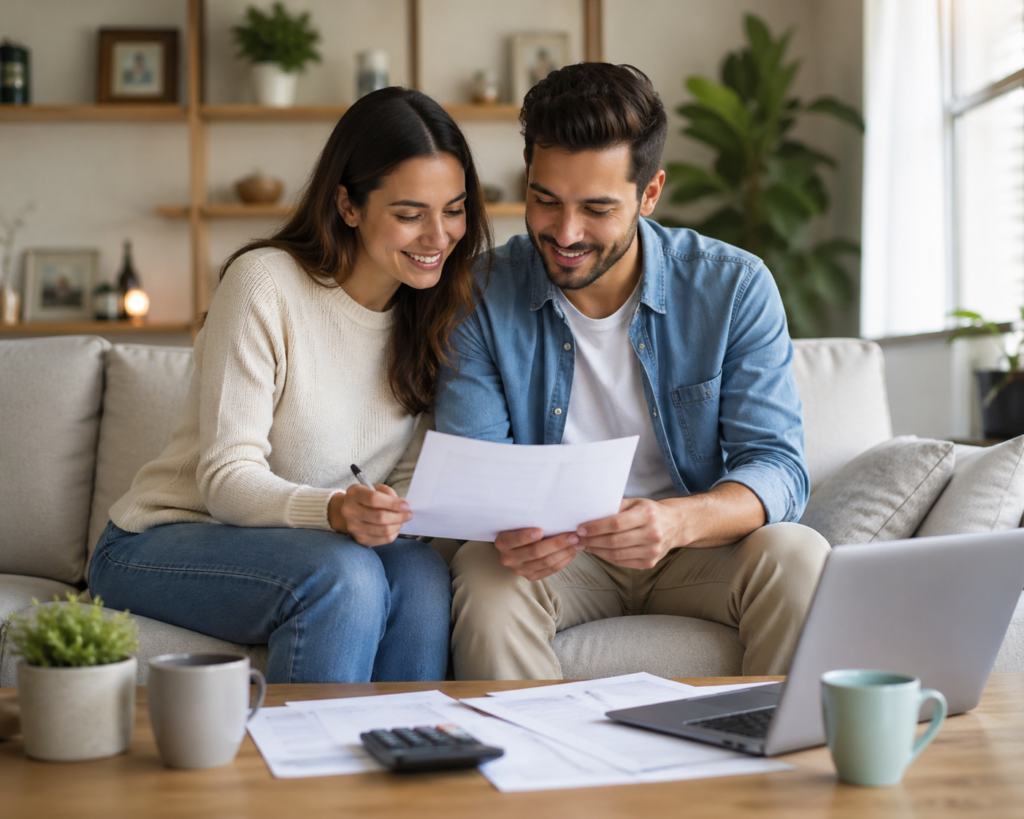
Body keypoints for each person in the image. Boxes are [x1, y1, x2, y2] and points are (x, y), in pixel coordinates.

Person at [435, 63, 831, 680]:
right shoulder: (480, 293)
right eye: (545, 200)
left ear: (650, 194)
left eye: (596, 208)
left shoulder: (734, 285)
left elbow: (778, 467)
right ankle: (529, 771)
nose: (565, 233)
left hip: (695, 549)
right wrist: (502, 526)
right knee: (487, 577)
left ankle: (771, 766)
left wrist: (677, 520)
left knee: (799, 554)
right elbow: (476, 469)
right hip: (560, 556)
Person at [89, 87, 491, 684]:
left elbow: (407, 476)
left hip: (325, 544)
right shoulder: (265, 285)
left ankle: (407, 761)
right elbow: (226, 478)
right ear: (348, 206)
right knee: (343, 578)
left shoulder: (437, 311)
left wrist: (393, 515)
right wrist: (334, 511)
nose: (438, 236)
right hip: (163, 541)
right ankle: (305, 773)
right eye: (410, 214)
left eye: (453, 209)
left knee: (423, 575)